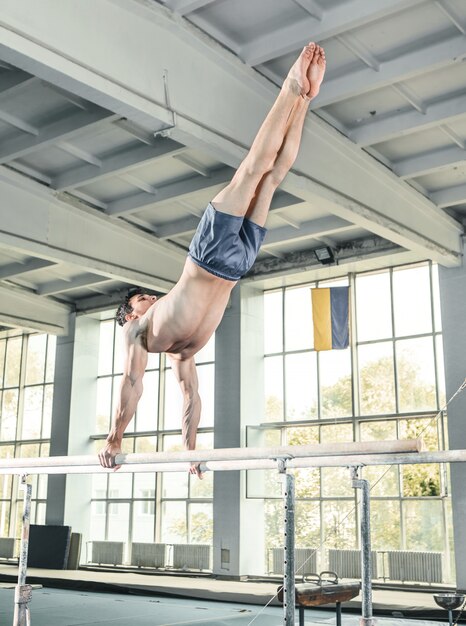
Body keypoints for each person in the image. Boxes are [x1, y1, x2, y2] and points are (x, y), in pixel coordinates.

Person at [98, 43, 326, 476]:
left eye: (146, 295)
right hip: (233, 266)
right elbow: (175, 394)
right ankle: (303, 100)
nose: (149, 296)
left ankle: (294, 91)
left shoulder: (159, 334)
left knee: (256, 171)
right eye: (141, 298)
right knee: (269, 177)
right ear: (127, 313)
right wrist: (190, 450)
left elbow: (135, 383)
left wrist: (116, 437)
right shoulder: (144, 335)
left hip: (211, 262)